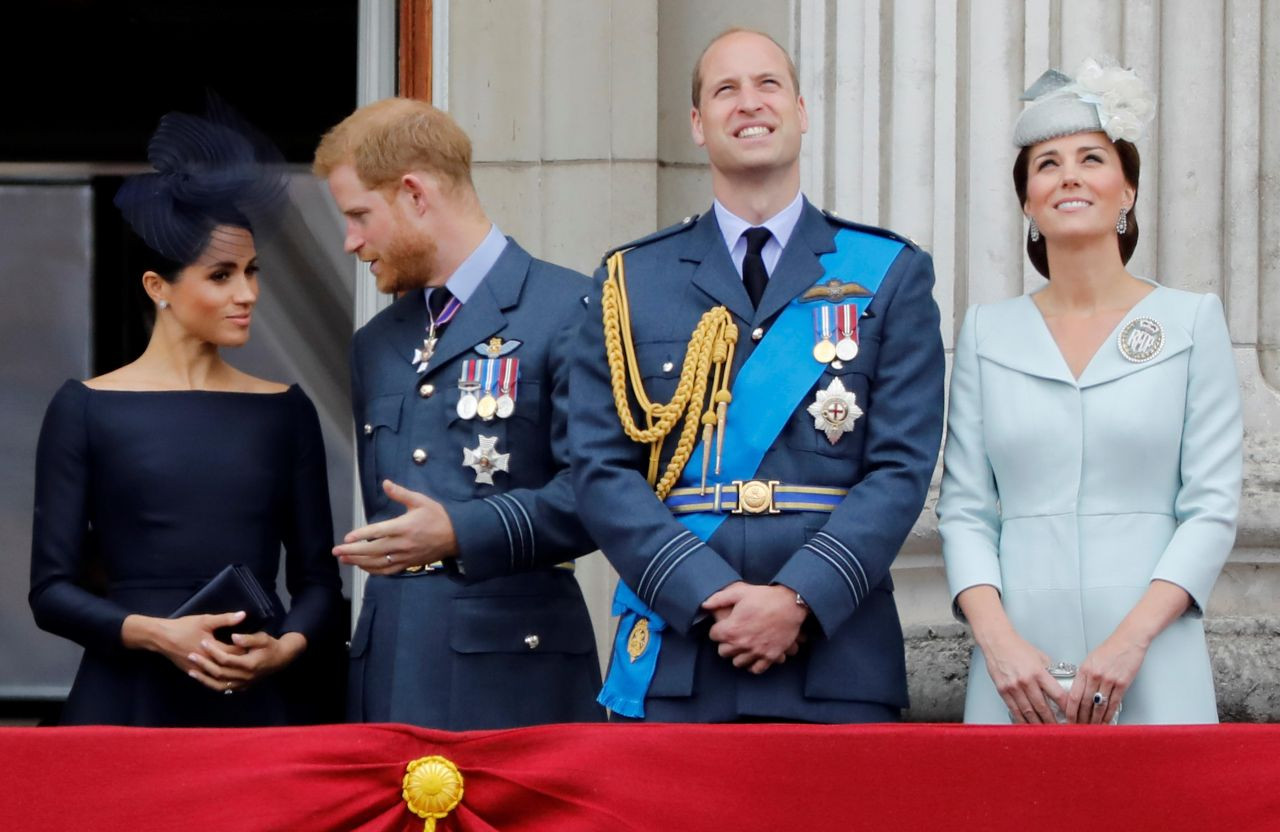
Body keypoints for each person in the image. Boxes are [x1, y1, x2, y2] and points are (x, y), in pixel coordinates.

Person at [571, 28, 944, 723]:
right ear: (697, 125)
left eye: (768, 84)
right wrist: (707, 595)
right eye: (726, 89)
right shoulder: (630, 280)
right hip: (683, 652)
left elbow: (901, 468)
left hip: (837, 655)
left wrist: (799, 597)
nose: (750, 103)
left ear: (800, 109)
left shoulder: (888, 273)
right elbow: (599, 470)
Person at [937, 59, 1242, 724]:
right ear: (1027, 202)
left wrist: (1130, 644)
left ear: (1127, 190)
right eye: (1046, 163)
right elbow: (964, 510)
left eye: (1092, 158)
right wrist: (1001, 645)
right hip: (1017, 666)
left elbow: (1212, 506)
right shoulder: (988, 333)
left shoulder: (1190, 322)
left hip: (1152, 654)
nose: (1068, 175)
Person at [28, 104, 343, 726]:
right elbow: (50, 594)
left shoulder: (286, 411)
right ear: (158, 287)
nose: (247, 293)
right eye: (221, 275)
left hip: (258, 701)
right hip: (129, 700)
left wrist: (285, 649)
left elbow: (319, 585)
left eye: (252, 272)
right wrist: (154, 633)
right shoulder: (86, 407)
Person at [314, 98, 603, 729]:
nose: (351, 240)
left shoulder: (570, 307)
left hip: (515, 670)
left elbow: (600, 494)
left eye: (360, 215)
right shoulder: (376, 342)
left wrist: (460, 531)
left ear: (414, 194)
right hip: (389, 663)